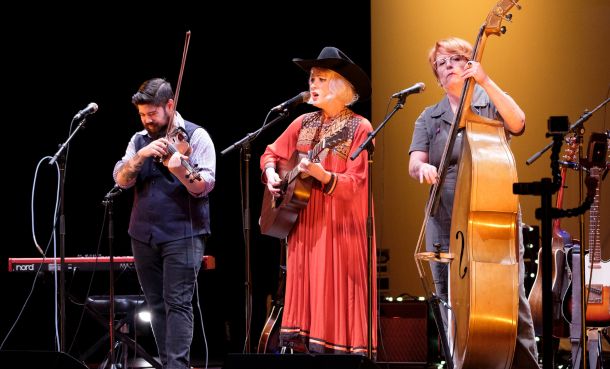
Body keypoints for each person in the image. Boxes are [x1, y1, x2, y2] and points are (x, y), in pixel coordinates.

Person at [408, 37, 539, 368]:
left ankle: (524, 363)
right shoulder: (429, 116)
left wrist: (486, 80)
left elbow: (518, 122)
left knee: (510, 294)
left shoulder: (488, 101)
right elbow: (414, 162)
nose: (449, 65)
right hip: (444, 214)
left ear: (469, 63)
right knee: (449, 296)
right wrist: (422, 167)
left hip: (492, 210)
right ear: (437, 76)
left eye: (456, 58)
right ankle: (460, 362)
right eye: (442, 63)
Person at [260, 46, 377, 355]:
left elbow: (357, 182)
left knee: (336, 291)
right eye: (312, 78)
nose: (313, 84)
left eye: (321, 79)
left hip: (340, 226)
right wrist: (272, 173)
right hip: (304, 224)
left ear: (339, 85)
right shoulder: (303, 123)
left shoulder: (359, 127)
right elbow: (271, 152)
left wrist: (322, 175)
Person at [113, 78, 216, 369]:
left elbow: (205, 185)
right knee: (156, 306)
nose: (147, 121)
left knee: (178, 303)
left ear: (169, 106)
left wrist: (182, 170)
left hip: (183, 233)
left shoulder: (196, 136)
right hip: (143, 234)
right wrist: (142, 156)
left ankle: (177, 367)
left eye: (152, 114)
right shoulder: (138, 140)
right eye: (142, 115)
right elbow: (121, 180)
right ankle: (168, 364)